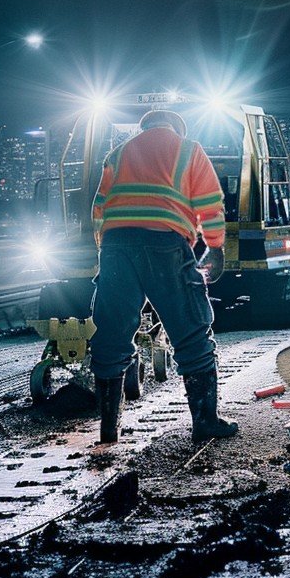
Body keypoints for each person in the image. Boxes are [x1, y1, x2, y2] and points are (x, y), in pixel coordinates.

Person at [88, 109, 238, 445]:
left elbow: (98, 207)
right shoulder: (188, 149)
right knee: (190, 328)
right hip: (165, 243)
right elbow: (210, 203)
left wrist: (107, 250)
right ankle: (205, 421)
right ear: (175, 127)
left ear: (143, 127)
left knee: (110, 335)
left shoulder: (118, 153)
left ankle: (108, 430)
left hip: (116, 245)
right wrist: (215, 247)